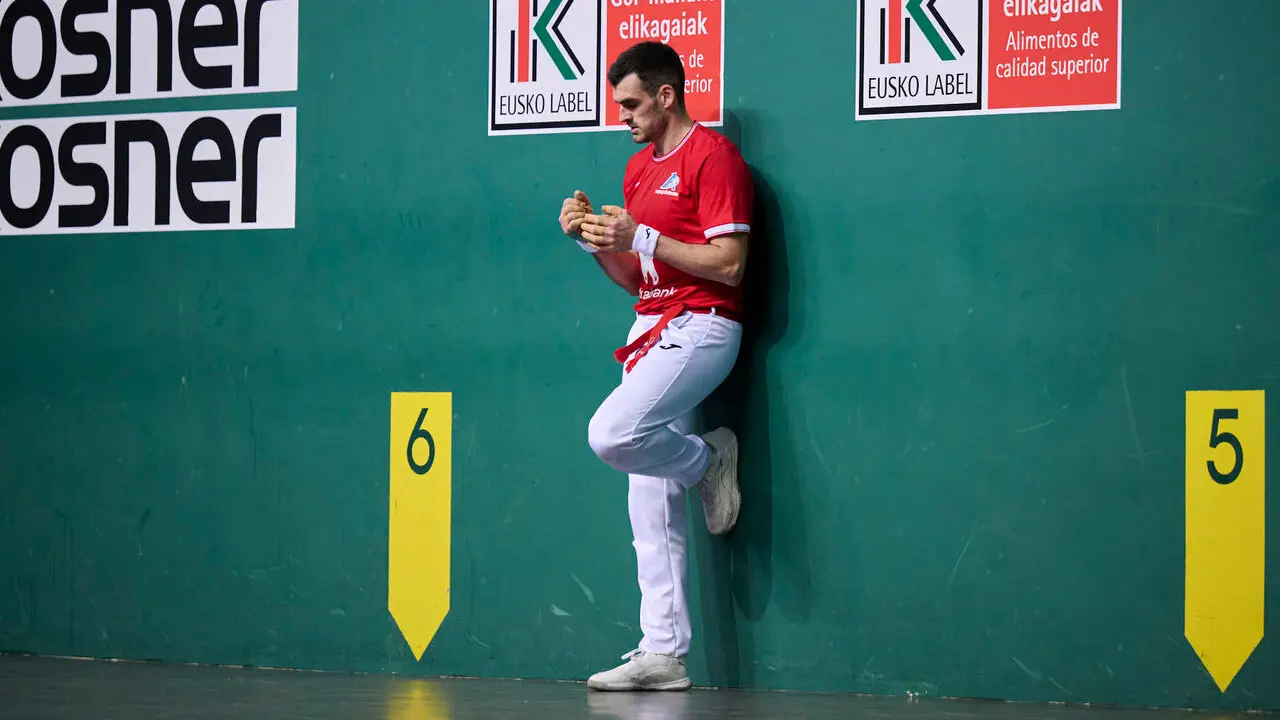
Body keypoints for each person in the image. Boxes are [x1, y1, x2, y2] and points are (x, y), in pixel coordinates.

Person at [557, 40, 755, 692]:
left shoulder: (715, 158)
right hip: (651, 327)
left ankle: (708, 462)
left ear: (666, 95)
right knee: (647, 493)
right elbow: (639, 276)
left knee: (611, 435)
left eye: (633, 103)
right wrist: (595, 242)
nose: (625, 116)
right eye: (620, 105)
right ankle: (663, 652)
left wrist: (640, 235)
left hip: (703, 327)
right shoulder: (637, 171)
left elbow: (728, 265)